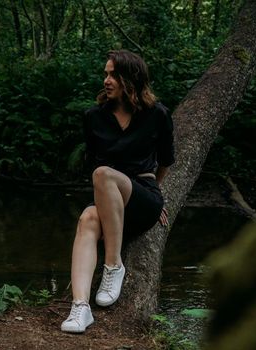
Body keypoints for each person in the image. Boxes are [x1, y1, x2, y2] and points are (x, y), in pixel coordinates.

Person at [60, 49, 175, 333]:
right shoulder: (94, 117)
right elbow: (94, 162)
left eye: (113, 74)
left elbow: (166, 162)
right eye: (106, 74)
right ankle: (80, 308)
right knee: (88, 217)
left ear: (130, 78)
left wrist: (154, 196)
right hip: (108, 200)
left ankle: (113, 266)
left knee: (104, 175)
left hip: (142, 198)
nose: (107, 80)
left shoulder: (157, 114)